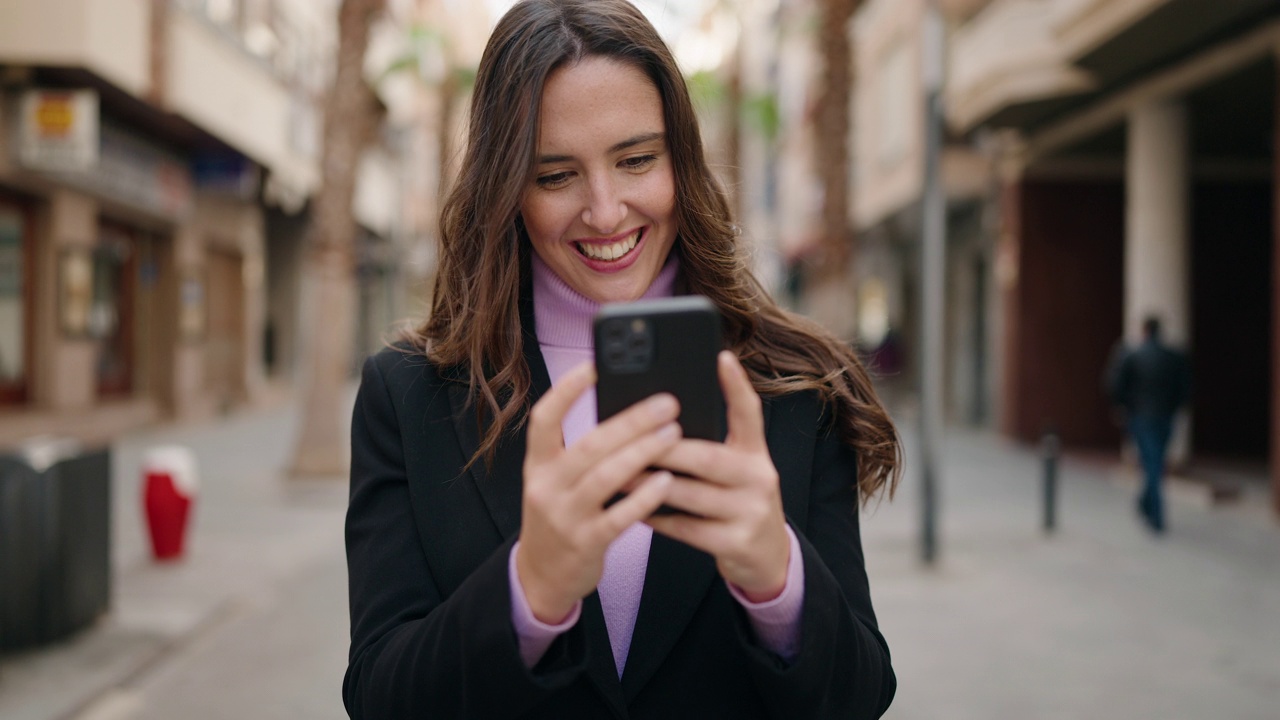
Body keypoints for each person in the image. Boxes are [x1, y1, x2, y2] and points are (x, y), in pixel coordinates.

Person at [343, 1, 900, 717]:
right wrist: (528, 592)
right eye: (554, 176)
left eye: (636, 160)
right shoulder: (409, 392)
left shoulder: (795, 383)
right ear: (505, 188)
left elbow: (860, 695)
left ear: (681, 158)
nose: (605, 212)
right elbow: (380, 697)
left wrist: (777, 577)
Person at [1107, 316, 1191, 533]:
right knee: (1155, 462)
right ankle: (1148, 505)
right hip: (1164, 417)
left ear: (1144, 331)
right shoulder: (1174, 357)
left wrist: (1124, 407)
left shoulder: (1132, 355)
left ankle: (1156, 514)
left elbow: (1115, 384)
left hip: (1142, 417)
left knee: (1152, 463)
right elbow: (1185, 388)